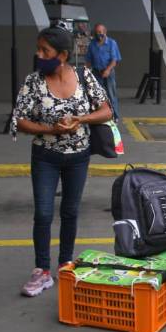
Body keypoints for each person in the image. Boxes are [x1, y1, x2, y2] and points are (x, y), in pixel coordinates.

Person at [11, 27, 114, 297]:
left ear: (63, 54)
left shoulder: (84, 76)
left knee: (70, 211)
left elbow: (106, 110)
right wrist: (50, 130)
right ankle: (42, 271)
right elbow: (19, 120)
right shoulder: (33, 81)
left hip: (78, 157)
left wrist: (81, 120)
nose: (39, 54)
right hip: (45, 157)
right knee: (43, 213)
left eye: (45, 50)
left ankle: (65, 263)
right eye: (39, 49)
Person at [85, 23, 122, 120]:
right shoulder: (92, 44)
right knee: (97, 95)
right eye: (96, 32)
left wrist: (108, 70)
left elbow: (114, 60)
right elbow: (89, 61)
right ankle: (100, 115)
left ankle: (115, 116)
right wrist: (85, 71)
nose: (98, 34)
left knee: (111, 94)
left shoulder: (111, 43)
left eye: (100, 32)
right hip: (96, 72)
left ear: (105, 32)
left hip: (108, 72)